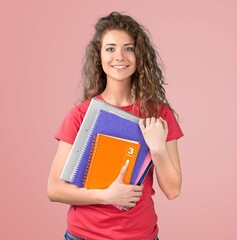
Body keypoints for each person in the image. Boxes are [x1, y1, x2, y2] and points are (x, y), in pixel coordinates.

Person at [47, 11, 183, 240]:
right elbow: (54, 189)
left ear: (139, 56)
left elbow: (173, 190)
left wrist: (158, 148)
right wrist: (107, 196)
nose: (119, 56)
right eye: (110, 49)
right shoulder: (81, 115)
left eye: (128, 48)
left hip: (141, 235)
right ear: (99, 57)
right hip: (84, 236)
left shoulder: (160, 114)